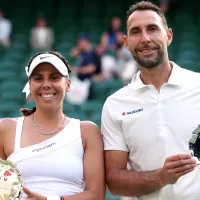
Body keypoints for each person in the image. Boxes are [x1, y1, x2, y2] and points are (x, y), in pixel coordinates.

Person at [101, 1, 200, 200]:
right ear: (126, 43)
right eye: (136, 32)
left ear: (168, 36)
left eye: (153, 29)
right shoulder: (115, 105)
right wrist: (161, 177)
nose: (145, 38)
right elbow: (114, 180)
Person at [0, 51, 105, 200]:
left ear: (68, 84)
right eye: (38, 78)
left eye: (54, 78)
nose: (46, 84)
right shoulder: (5, 129)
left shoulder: (87, 131)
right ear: (30, 86)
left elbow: (96, 195)